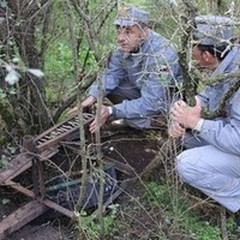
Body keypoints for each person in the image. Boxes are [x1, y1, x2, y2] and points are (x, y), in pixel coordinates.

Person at [71, 4, 182, 133]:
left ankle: (155, 122)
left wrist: (112, 111)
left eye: (128, 31)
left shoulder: (163, 54)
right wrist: (92, 97)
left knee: (140, 116)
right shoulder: (124, 47)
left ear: (145, 30)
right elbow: (112, 74)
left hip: (162, 101)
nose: (120, 38)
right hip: (141, 90)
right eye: (119, 30)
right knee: (108, 88)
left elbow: (153, 102)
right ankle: (131, 116)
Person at [169, 15, 240, 213]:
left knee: (187, 164)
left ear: (207, 55)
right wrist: (192, 108)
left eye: (192, 48)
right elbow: (209, 95)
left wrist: (196, 123)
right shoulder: (229, 61)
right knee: (188, 139)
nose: (190, 55)